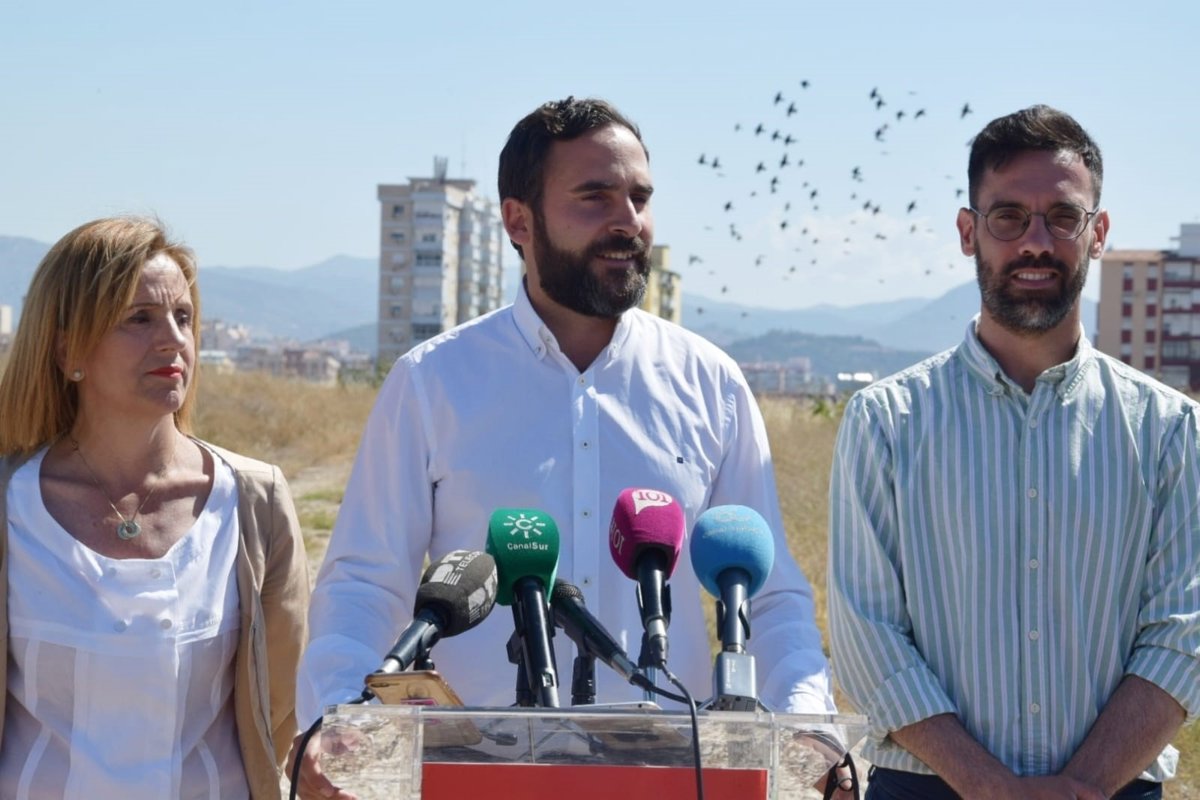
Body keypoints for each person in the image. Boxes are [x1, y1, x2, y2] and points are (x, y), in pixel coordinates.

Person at [292, 97, 842, 797]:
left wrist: (810, 726)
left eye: (640, 197)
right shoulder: (432, 382)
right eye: (595, 197)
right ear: (518, 221)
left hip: (672, 778)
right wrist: (337, 716)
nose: (628, 221)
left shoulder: (713, 385)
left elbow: (769, 597)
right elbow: (364, 585)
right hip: (474, 775)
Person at [829, 105, 1199, 800]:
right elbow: (866, 635)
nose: (1036, 242)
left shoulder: (1170, 430)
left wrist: (1079, 786)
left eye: (1062, 217)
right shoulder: (885, 422)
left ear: (1098, 233)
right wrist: (989, 785)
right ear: (969, 232)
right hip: (926, 788)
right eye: (1008, 217)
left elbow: (1184, 635)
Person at [0, 217, 310, 799]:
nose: (172, 340)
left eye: (183, 317)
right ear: (67, 349)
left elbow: (282, 712)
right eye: (138, 318)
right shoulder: (9, 504)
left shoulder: (255, 501)